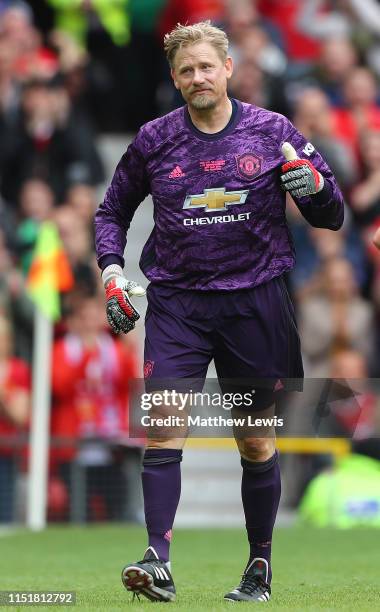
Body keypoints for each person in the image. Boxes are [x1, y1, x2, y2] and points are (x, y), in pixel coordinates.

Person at [94, 21, 344, 604]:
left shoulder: (272, 131)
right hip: (178, 303)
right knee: (163, 423)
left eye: (206, 66)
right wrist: (111, 271)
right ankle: (157, 557)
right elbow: (111, 212)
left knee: (254, 441)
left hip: (254, 303)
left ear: (228, 68)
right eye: (186, 70)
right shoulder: (155, 140)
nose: (197, 77)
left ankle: (259, 566)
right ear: (175, 79)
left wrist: (310, 186)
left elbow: (331, 215)